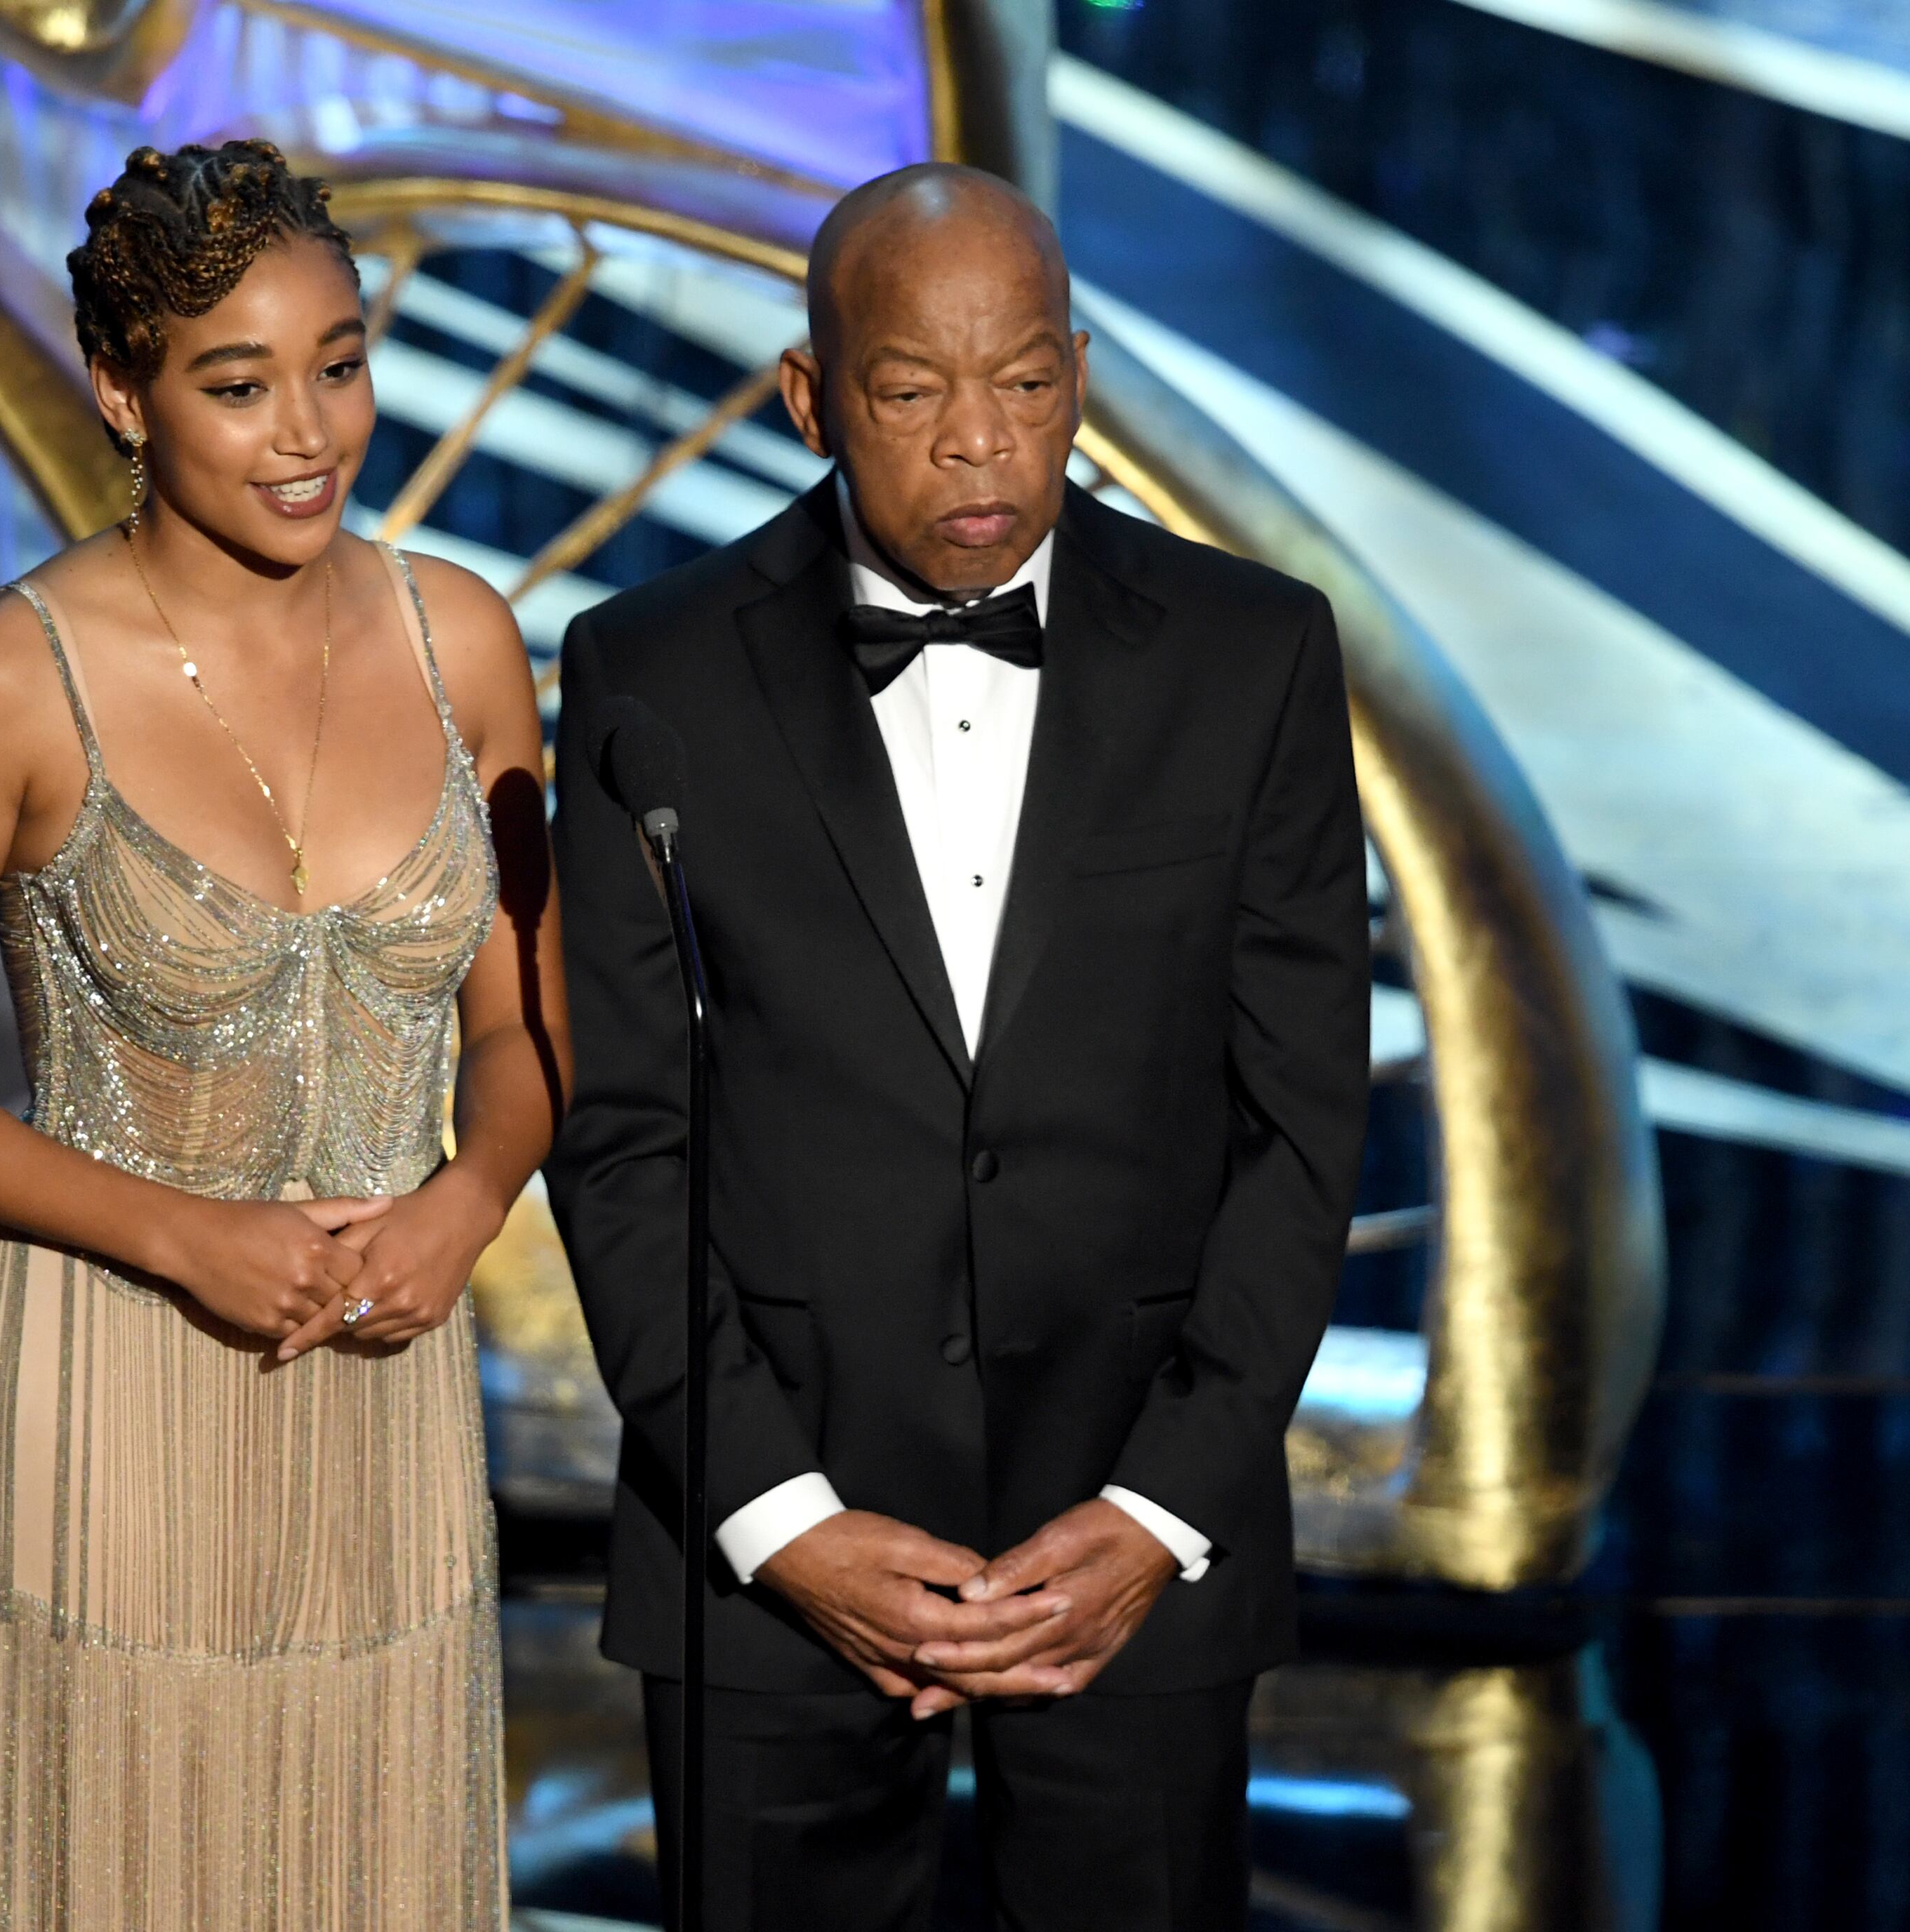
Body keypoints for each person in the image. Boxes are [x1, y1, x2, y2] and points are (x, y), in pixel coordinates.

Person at [545, 163, 1369, 1928]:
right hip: (769, 1538)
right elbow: (621, 1138)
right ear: (810, 396)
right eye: (914, 392)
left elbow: (1301, 1129)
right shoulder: (649, 670)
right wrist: (776, 1516)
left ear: (1078, 372)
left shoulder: (1257, 655)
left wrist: (1164, 1504)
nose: (983, 447)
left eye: (1029, 386)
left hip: (1131, 1522)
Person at [0, 141, 564, 1931]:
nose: (308, 431)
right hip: (113, 1391)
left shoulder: (464, 639)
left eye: (342, 363)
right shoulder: (3, 680)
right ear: (121, 393)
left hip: (388, 1404)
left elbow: (533, 1031)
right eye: (238, 384)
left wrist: (472, 1197)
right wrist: (180, 1234)